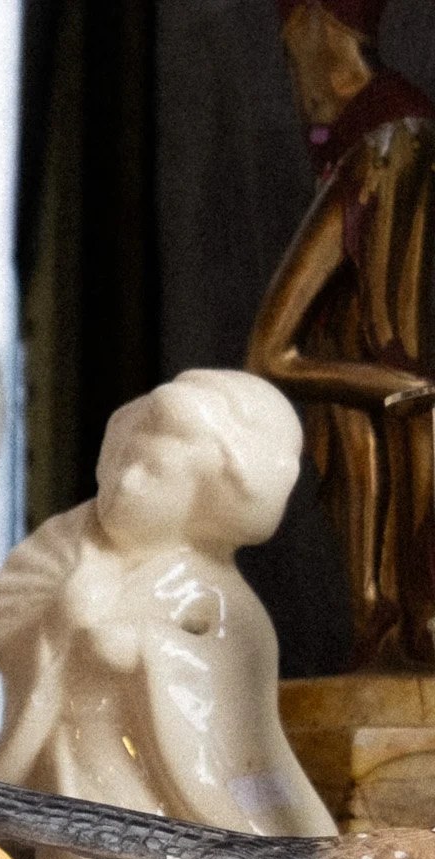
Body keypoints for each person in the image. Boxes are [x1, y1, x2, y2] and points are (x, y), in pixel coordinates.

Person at [0, 371, 340, 859]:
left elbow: (234, 718)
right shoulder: (74, 554)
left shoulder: (219, 599)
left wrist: (147, 654)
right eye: (122, 461)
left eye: (155, 471)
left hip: (171, 833)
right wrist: (57, 626)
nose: (128, 484)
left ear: (207, 498)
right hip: (78, 797)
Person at [249, 0, 435, 666]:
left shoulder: (393, 138)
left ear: (318, 25)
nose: (289, 62)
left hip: (392, 421)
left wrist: (387, 384)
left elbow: (397, 350)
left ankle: (402, 619)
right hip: (364, 422)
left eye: (288, 40)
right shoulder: (366, 141)